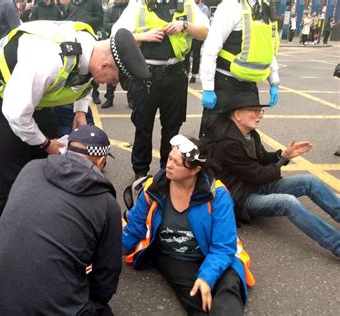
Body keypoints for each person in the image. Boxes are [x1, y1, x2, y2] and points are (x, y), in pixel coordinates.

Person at [0, 20, 149, 205]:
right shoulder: (47, 60)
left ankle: (44, 205)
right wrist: (45, 143)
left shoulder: (93, 50)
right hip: (2, 97)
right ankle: (13, 209)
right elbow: (16, 113)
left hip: (35, 96)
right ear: (105, 66)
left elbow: (86, 79)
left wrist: (80, 112)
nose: (113, 84)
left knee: (48, 153)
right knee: (15, 168)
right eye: (114, 79)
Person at [0, 125, 122, 314]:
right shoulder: (106, 203)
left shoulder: (30, 169)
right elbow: (106, 276)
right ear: (101, 160)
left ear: (67, 149)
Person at [123, 135, 252, 314]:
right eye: (169, 158)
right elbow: (134, 227)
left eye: (176, 162)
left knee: (228, 290)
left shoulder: (217, 194)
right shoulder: (154, 188)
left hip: (214, 252)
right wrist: (105, 254)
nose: (169, 165)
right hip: (174, 256)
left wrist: (207, 277)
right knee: (197, 300)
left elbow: (223, 247)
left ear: (195, 170)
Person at [205, 91, 340, 256]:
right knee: (288, 202)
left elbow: (261, 158)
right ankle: (337, 245)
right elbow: (260, 174)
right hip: (241, 198)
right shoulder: (228, 143)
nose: (260, 115)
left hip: (253, 184)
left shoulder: (249, 134)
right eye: (254, 110)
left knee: (309, 180)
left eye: (260, 111)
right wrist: (282, 161)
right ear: (238, 114)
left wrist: (284, 154)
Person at [112, 0, 210, 179]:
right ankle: (140, 174)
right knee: (143, 127)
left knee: (172, 129)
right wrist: (143, 36)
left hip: (176, 75)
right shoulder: (139, 5)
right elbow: (117, 36)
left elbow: (206, 32)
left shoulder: (186, 4)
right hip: (146, 76)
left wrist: (185, 25)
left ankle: (168, 172)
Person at [199, 0, 280, 138]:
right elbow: (211, 48)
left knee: (244, 138)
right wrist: (208, 88)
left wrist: (274, 82)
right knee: (215, 138)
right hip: (226, 85)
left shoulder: (266, 8)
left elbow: (267, 51)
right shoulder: (230, 6)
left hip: (250, 87)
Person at [100, 0, 133, 109]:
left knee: (129, 72)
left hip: (128, 45)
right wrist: (121, 26)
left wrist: (117, 26)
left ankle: (131, 99)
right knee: (110, 71)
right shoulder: (110, 10)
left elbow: (133, 24)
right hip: (112, 44)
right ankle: (109, 98)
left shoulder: (130, 10)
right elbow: (105, 25)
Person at [184, 0, 211, 84]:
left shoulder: (204, 8)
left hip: (197, 37)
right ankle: (186, 72)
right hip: (188, 35)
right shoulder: (188, 6)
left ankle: (194, 74)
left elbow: (204, 23)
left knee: (196, 55)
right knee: (186, 54)